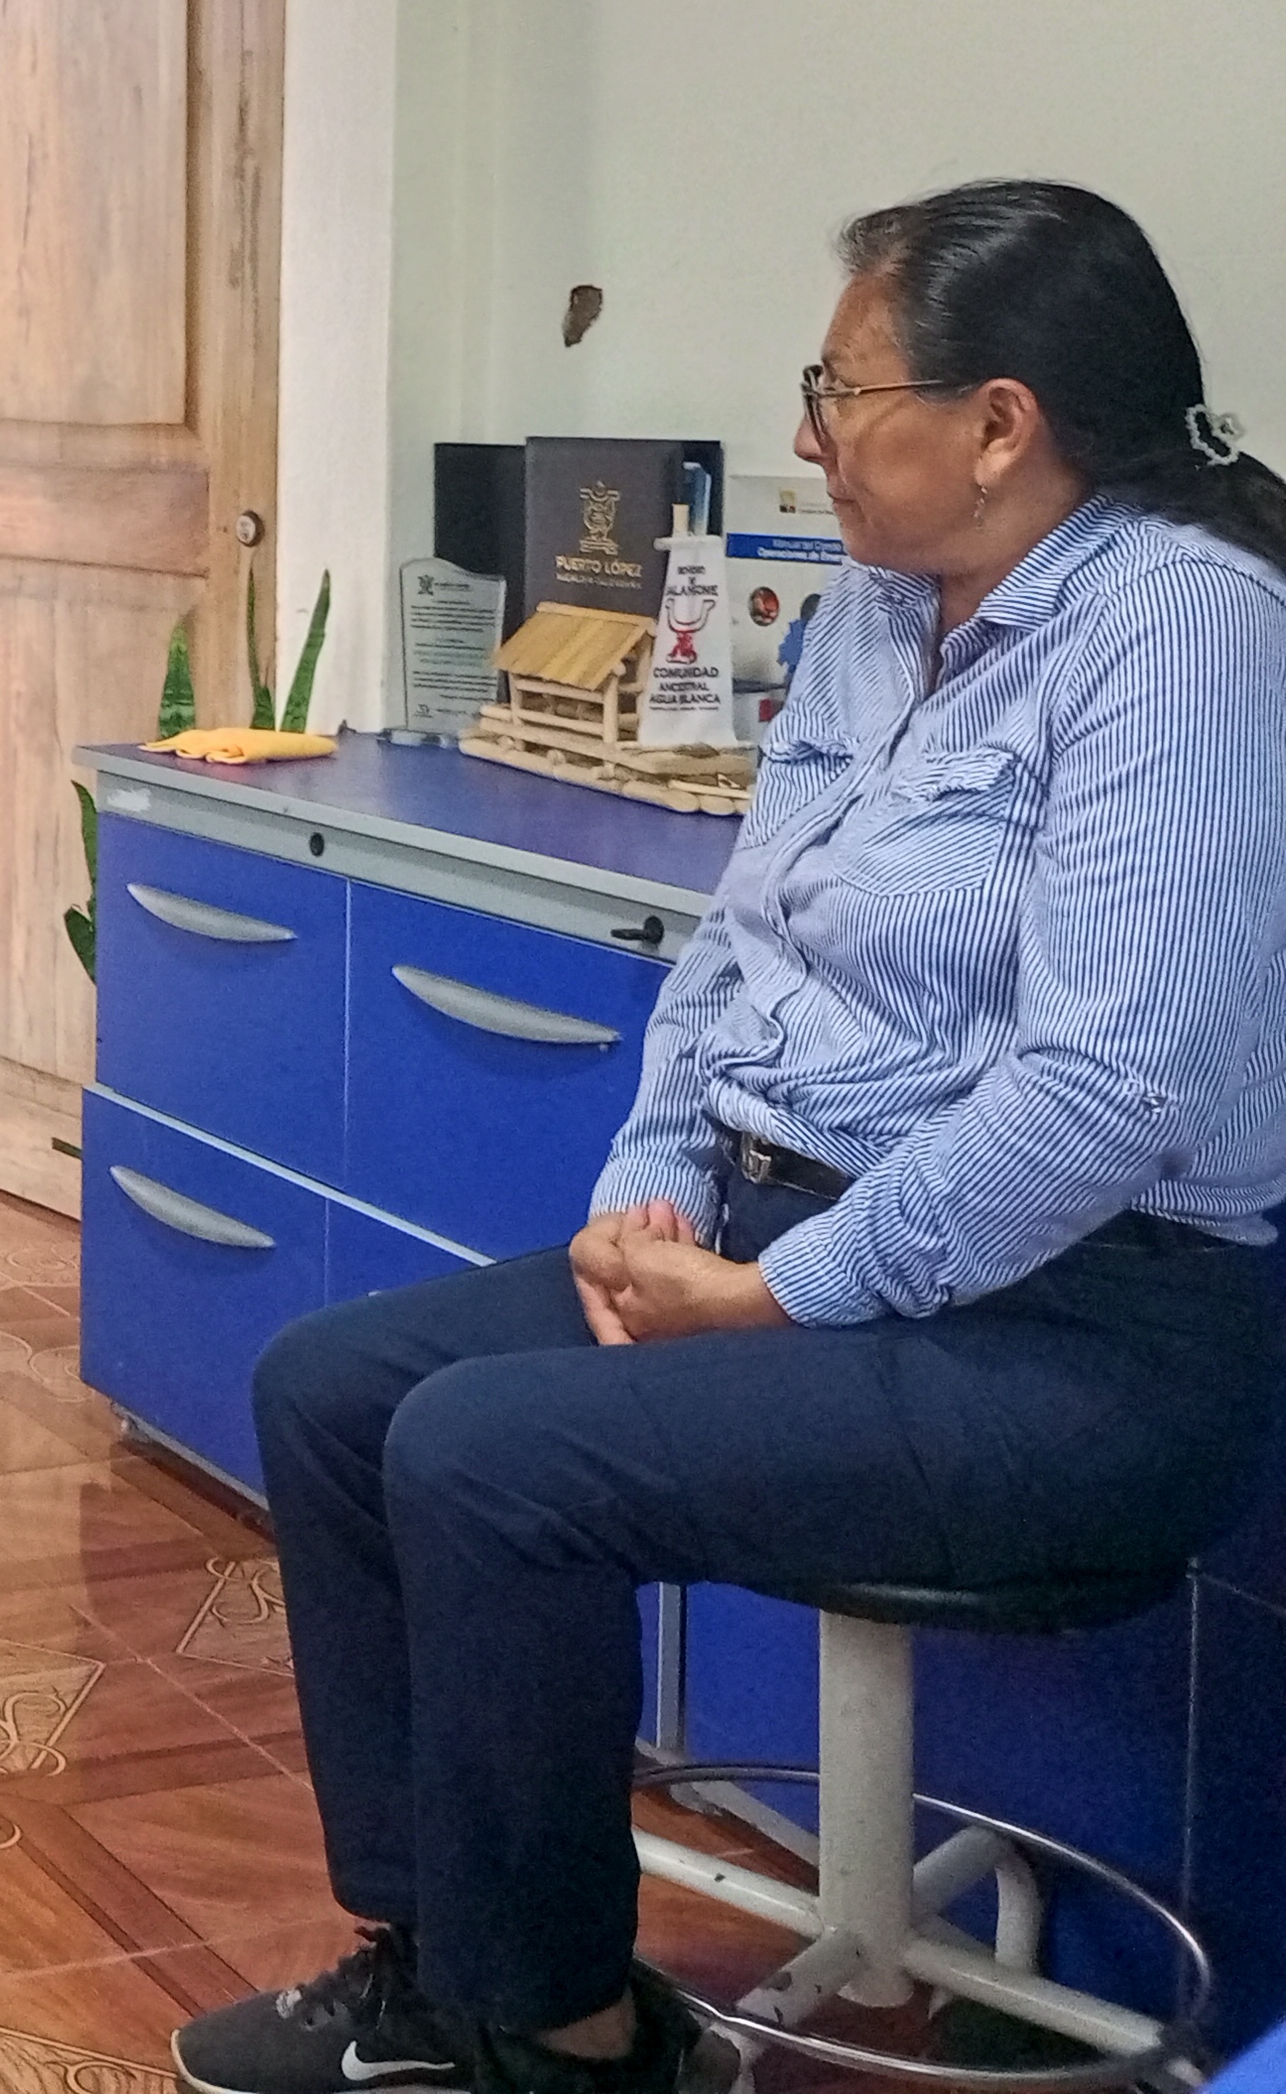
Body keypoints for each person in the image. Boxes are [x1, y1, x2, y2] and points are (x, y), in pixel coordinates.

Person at [179, 181, 1286, 2094]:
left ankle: (563, 2042)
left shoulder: (1185, 632)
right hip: (788, 1240)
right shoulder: (870, 610)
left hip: (1083, 1333)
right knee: (335, 1391)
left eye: (838, 391)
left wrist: (778, 1294)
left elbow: (1112, 1091)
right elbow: (734, 945)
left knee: (490, 1455)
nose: (804, 431)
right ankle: (442, 1968)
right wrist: (651, 1191)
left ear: (996, 423)